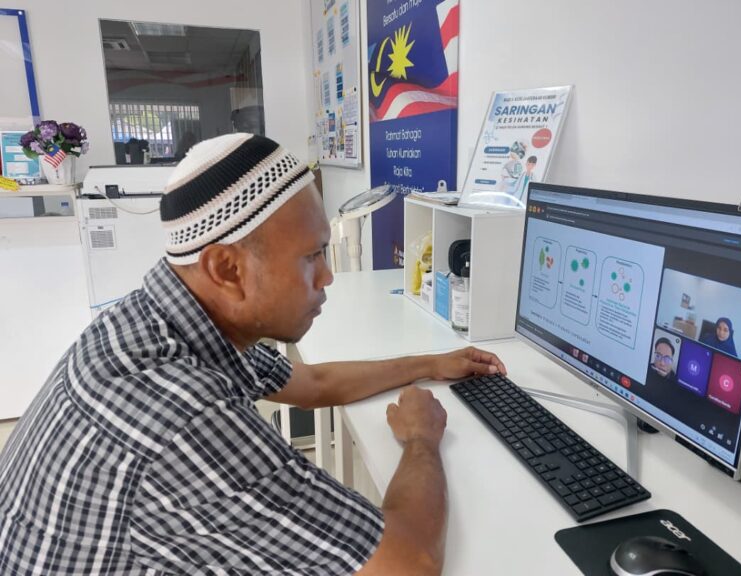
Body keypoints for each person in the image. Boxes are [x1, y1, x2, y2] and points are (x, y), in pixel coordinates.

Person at [0, 133, 506, 575]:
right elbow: (408, 563)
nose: (328, 276)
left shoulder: (162, 320)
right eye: (312, 256)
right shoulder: (186, 412)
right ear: (226, 269)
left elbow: (313, 385)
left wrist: (430, 363)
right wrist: (420, 440)